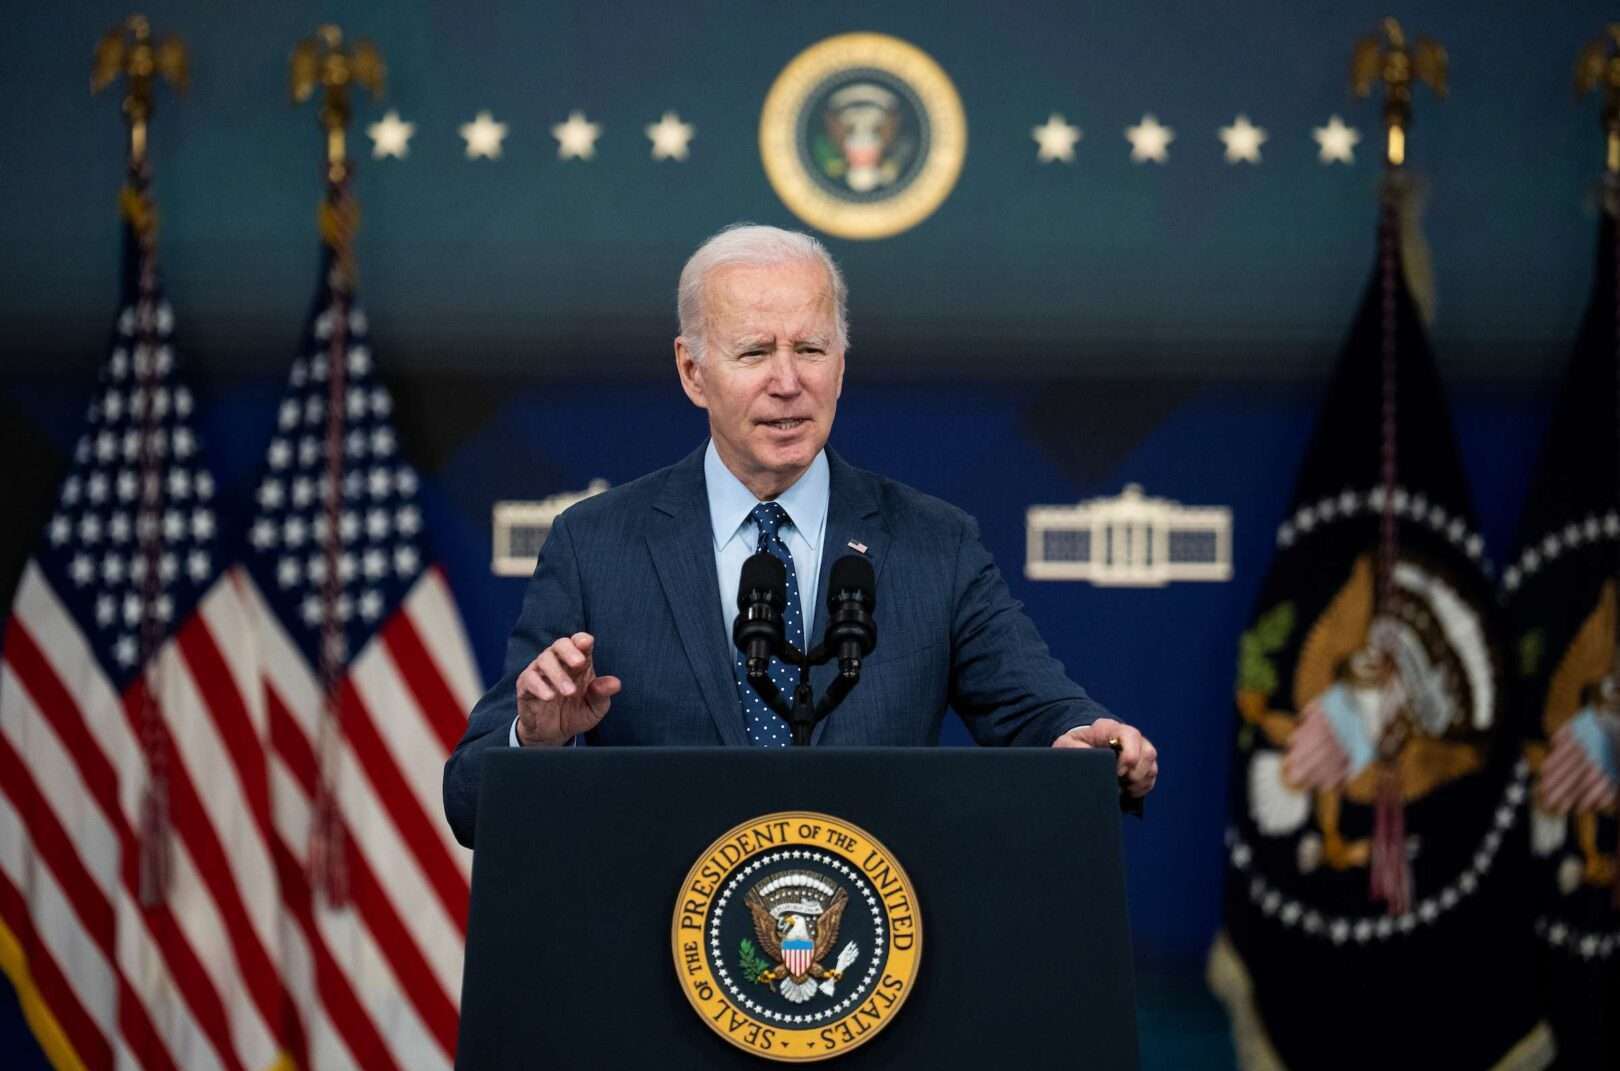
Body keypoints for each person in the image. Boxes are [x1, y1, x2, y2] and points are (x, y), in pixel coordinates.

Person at [443, 224, 1158, 847]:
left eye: (811, 349)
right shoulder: (596, 546)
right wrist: (537, 741)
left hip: (880, 959)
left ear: (842, 365)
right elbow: (472, 802)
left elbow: (1039, 709)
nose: (789, 382)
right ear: (693, 371)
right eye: (755, 353)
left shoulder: (933, 544)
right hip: (663, 959)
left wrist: (1088, 740)